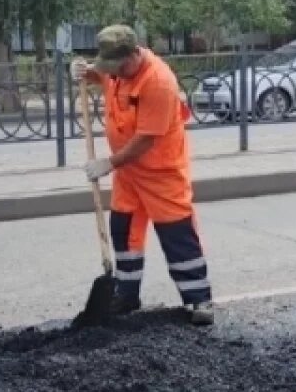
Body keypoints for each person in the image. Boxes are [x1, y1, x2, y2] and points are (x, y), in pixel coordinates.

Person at [71, 24, 214, 326]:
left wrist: (109, 163)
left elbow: (146, 139)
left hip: (161, 173)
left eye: (119, 68)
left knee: (177, 236)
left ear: (135, 54)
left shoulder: (158, 82)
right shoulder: (117, 70)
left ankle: (198, 298)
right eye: (110, 68)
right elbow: (104, 78)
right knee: (124, 232)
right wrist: (86, 72)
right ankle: (126, 295)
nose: (116, 74)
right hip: (128, 174)